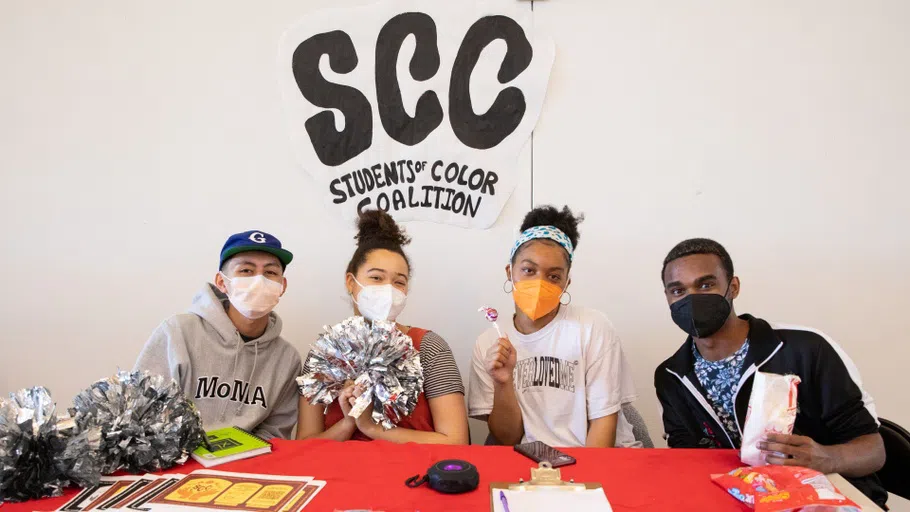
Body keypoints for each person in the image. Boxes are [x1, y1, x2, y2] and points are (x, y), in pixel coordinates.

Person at [654, 238, 887, 507]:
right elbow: (686, 459)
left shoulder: (805, 348)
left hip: (831, 498)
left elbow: (874, 450)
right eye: (678, 290)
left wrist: (827, 458)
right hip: (738, 500)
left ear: (734, 287)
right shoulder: (671, 376)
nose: (692, 299)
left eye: (706, 285)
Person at [467, 205, 638, 448]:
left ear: (566, 283)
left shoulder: (592, 328)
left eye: (554, 276)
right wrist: (503, 383)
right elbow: (507, 439)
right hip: (529, 465)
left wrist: (580, 484)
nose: (539, 283)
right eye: (528, 270)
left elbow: (603, 426)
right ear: (510, 272)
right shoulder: (489, 342)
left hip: (594, 462)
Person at [296, 209, 469, 444]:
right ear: (351, 282)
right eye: (376, 278)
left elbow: (457, 442)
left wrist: (373, 428)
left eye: (399, 282)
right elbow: (304, 446)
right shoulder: (324, 353)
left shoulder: (429, 347)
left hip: (412, 476)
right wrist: (350, 422)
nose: (388, 290)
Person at [134, 230, 302, 440]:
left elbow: (276, 432)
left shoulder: (287, 358)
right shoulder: (177, 333)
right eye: (246, 270)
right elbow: (142, 413)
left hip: (247, 463)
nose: (258, 280)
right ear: (222, 282)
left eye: (270, 273)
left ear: (282, 286)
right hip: (176, 461)